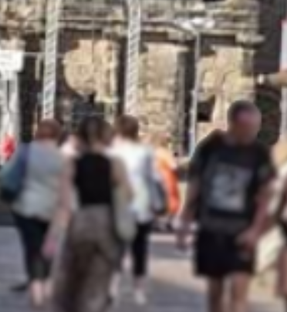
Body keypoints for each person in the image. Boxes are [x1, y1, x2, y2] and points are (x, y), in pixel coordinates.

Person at [179, 100, 274, 312]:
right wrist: (184, 223)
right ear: (234, 124)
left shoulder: (258, 153)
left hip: (241, 231)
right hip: (211, 228)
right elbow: (195, 186)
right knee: (215, 292)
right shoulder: (211, 148)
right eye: (248, 128)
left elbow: (265, 196)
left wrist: (255, 230)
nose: (251, 133)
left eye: (255, 128)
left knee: (239, 293)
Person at [47, 117, 132, 312]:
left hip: (81, 223)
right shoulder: (116, 164)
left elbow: (64, 204)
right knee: (99, 282)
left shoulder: (71, 163)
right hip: (106, 224)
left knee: (71, 281)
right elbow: (128, 194)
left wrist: (52, 238)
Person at [10, 119, 64, 309]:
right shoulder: (63, 157)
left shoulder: (25, 152)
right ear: (58, 135)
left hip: (27, 208)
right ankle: (46, 286)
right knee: (48, 249)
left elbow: (10, 176)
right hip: (53, 211)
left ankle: (36, 290)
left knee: (32, 249)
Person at [112, 115, 162, 306]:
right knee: (139, 248)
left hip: (118, 204)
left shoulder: (112, 151)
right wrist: (157, 203)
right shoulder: (144, 152)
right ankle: (138, 290)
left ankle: (113, 286)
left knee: (116, 247)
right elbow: (153, 178)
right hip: (141, 203)